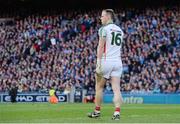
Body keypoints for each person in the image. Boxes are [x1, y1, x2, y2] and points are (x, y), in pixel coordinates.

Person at [88, 9, 124, 120]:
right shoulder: (120, 30)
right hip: (117, 61)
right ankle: (117, 113)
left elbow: (100, 46)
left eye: (102, 16)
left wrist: (98, 62)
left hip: (106, 61)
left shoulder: (104, 29)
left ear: (108, 17)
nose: (100, 18)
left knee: (99, 88)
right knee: (116, 89)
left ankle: (97, 111)